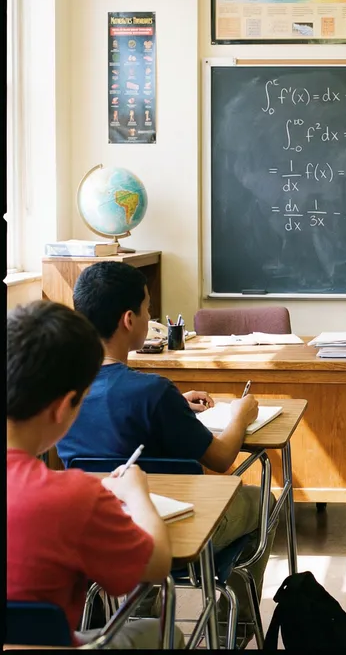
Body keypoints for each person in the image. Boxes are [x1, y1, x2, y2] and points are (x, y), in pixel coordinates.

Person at [56, 262, 272, 646]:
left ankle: (136, 608)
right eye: (147, 309)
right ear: (128, 320)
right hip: (177, 527)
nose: (150, 318)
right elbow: (222, 458)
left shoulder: (63, 389)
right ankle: (234, 621)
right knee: (265, 501)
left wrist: (176, 404)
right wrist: (241, 414)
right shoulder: (153, 391)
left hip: (98, 528)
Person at [6, 301, 184, 649]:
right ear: (63, 407)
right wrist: (136, 493)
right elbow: (157, 564)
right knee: (164, 633)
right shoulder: (74, 496)